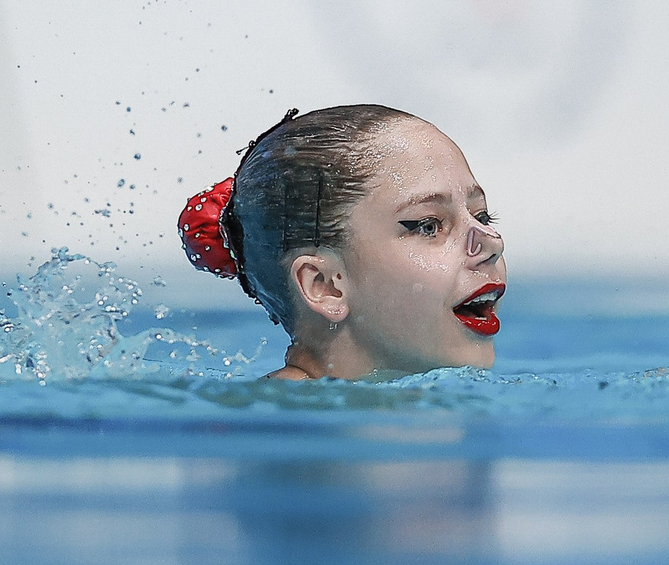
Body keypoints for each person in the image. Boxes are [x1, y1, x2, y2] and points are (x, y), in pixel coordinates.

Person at [179, 103, 506, 380]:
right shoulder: (270, 429)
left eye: (482, 217)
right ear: (325, 286)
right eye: (428, 225)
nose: (491, 242)